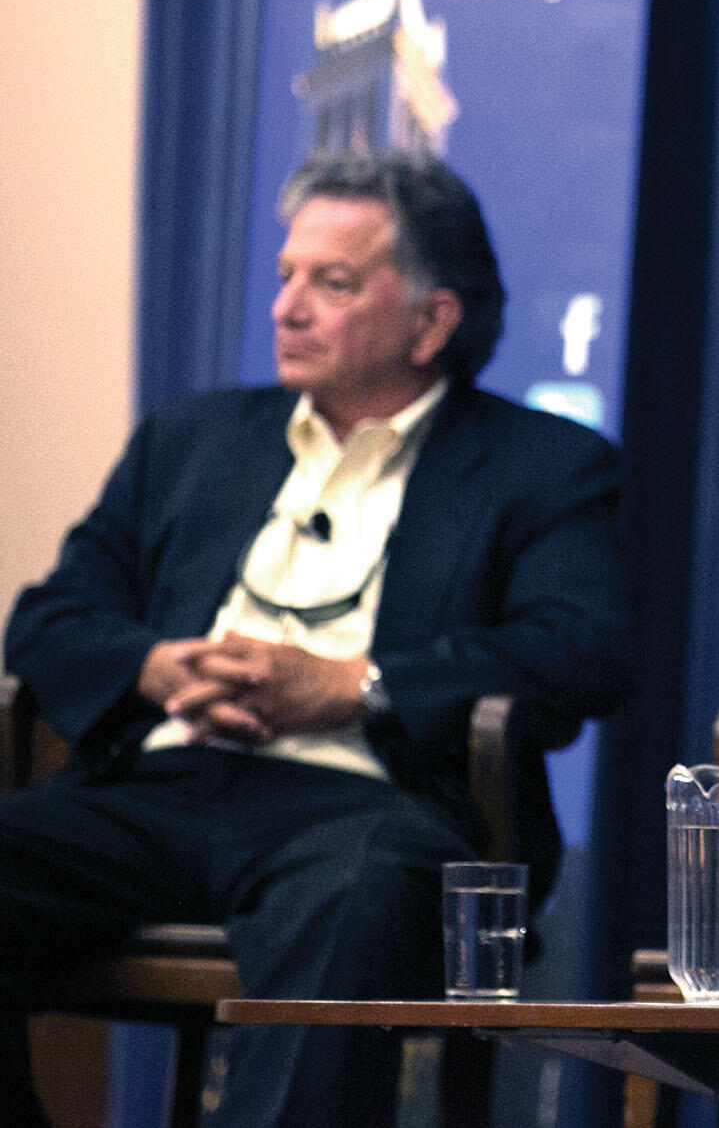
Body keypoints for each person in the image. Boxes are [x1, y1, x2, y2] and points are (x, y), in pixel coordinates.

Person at [0, 152, 629, 1128]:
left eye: (331, 283)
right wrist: (156, 665)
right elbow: (46, 619)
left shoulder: (542, 465)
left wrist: (354, 684)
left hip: (362, 804)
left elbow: (577, 650)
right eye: (287, 276)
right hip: (157, 786)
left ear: (434, 320)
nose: (287, 307)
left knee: (355, 901)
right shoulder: (194, 438)